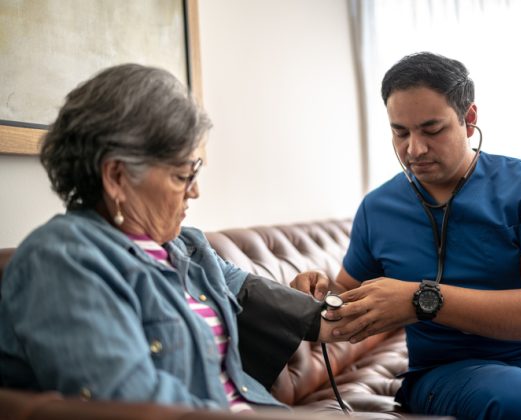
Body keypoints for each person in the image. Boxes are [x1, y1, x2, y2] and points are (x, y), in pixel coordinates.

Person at [293, 52, 521, 419]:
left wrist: (422, 299)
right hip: (451, 370)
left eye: (431, 129)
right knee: (519, 401)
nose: (414, 149)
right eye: (400, 132)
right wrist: (322, 294)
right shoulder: (377, 209)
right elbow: (346, 296)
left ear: (469, 120)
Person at [0, 63, 352, 413]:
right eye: (183, 174)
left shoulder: (185, 246)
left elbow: (255, 294)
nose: (195, 191)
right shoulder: (62, 261)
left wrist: (388, 306)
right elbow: (133, 403)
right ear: (117, 177)